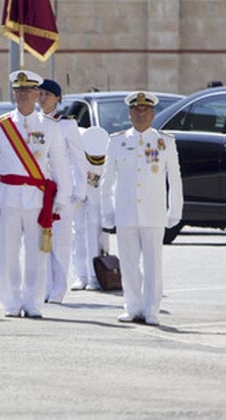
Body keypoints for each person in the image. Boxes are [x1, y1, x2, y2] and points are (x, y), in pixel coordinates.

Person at [0, 70, 71, 319]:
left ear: (36, 94)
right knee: (8, 252)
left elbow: (60, 164)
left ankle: (33, 302)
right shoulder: (1, 125)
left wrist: (62, 198)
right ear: (13, 93)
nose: (23, 94)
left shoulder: (49, 126)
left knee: (37, 254)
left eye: (28, 90)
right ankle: (11, 301)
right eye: (18, 90)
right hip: (8, 197)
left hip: (37, 199)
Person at [102, 92, 183, 326]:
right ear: (129, 114)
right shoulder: (117, 141)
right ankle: (132, 306)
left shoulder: (164, 142)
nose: (140, 114)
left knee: (153, 264)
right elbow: (107, 180)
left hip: (153, 212)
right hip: (126, 211)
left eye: (145, 110)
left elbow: (174, 178)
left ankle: (151, 309)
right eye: (136, 110)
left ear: (153, 114)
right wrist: (107, 212)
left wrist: (174, 210)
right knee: (128, 263)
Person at [36, 78, 86, 303]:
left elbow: (78, 159)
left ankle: (58, 288)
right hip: (40, 189)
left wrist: (79, 189)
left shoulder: (66, 125)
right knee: (41, 241)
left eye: (47, 94)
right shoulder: (34, 122)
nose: (42, 98)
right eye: (40, 93)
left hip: (61, 190)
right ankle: (44, 286)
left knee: (61, 242)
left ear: (57, 98)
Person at [75, 126, 111, 291]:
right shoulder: (78, 145)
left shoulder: (105, 151)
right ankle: (81, 274)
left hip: (97, 196)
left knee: (95, 233)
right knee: (78, 233)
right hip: (78, 193)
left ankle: (95, 275)